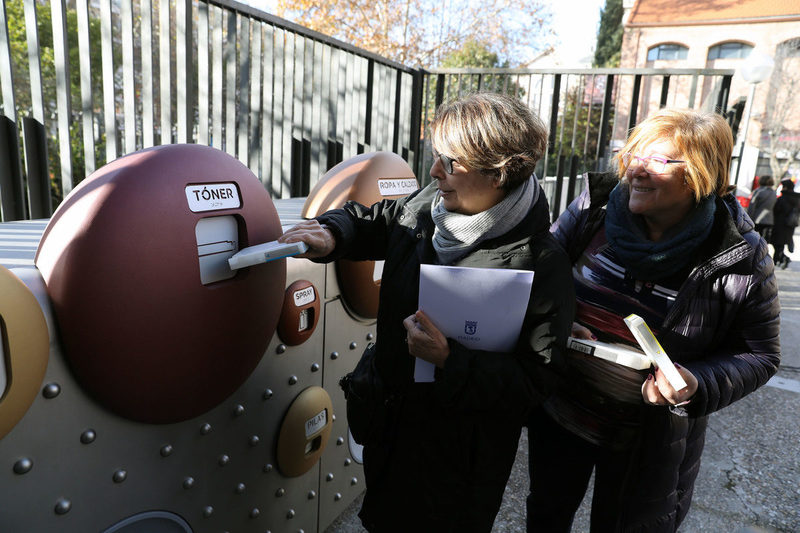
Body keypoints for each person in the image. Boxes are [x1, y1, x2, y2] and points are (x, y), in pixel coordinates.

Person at [279, 92, 574, 532]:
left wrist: (451, 362)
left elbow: (536, 381)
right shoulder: (428, 207)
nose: (435, 171)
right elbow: (380, 219)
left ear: (498, 173)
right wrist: (333, 232)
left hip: (459, 464)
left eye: (451, 162)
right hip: (392, 428)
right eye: (436, 156)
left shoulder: (542, 264)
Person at [526, 108, 781, 532]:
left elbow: (759, 354)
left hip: (649, 437)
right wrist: (554, 320)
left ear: (702, 174)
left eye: (658, 161)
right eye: (633, 156)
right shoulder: (594, 208)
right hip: (563, 410)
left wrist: (697, 383)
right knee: (547, 515)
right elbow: (539, 278)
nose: (636, 172)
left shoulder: (739, 253)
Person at [771, 177, 800, 269]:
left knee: (776, 243)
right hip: (790, 225)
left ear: (785, 187)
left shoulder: (783, 198)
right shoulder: (797, 199)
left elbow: (776, 210)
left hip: (779, 223)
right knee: (781, 244)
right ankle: (780, 259)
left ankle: (780, 259)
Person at [747, 175, 776, 241]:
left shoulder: (758, 191)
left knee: (755, 240)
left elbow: (752, 206)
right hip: (769, 220)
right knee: (764, 241)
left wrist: (748, 218)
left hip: (757, 219)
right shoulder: (774, 193)